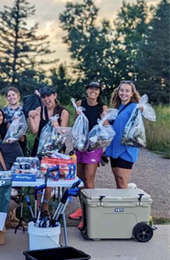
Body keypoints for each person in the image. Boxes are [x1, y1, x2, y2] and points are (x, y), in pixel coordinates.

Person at [69, 81, 108, 220]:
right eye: (91, 88)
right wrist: (78, 115)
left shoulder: (102, 107)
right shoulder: (80, 103)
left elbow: (106, 125)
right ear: (87, 90)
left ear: (99, 92)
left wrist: (105, 121)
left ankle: (89, 213)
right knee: (79, 180)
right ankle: (82, 208)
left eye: (96, 89)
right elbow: (75, 123)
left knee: (89, 178)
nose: (93, 91)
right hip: (80, 145)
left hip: (93, 146)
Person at [28, 86, 70, 209]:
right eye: (44, 97)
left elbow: (63, 134)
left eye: (49, 96)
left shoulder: (63, 112)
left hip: (55, 150)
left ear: (55, 95)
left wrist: (56, 126)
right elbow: (34, 130)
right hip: (40, 148)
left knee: (50, 180)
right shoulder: (39, 110)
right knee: (39, 178)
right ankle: (38, 208)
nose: (47, 99)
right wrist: (30, 117)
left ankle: (45, 209)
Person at [105, 81, 142, 189]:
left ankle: (127, 204)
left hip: (126, 149)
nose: (124, 93)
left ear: (132, 93)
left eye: (127, 91)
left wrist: (142, 108)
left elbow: (141, 112)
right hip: (115, 148)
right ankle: (121, 204)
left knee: (122, 181)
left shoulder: (135, 107)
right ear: (118, 92)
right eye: (121, 90)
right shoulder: (118, 107)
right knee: (118, 181)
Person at [2, 87, 27, 155]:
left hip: (21, 138)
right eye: (9, 96)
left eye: (13, 94)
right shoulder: (4, 110)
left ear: (18, 96)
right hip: (8, 138)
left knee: (21, 156)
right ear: (7, 98)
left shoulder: (23, 109)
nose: (11, 97)